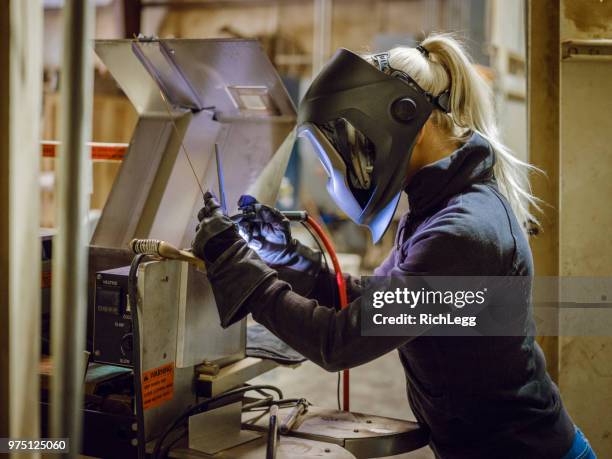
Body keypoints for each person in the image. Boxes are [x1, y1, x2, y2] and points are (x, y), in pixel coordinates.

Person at [192, 34, 596, 459]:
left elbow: (339, 341)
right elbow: (373, 301)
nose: (353, 156)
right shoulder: (436, 209)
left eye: (357, 136)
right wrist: (289, 257)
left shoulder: (461, 232)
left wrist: (241, 273)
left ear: (410, 123)